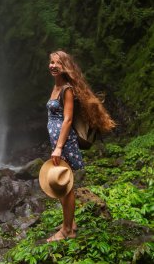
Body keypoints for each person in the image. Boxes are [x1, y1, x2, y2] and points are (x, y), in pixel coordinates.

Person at [45, 50, 115, 242]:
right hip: (57, 140)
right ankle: (70, 223)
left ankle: (67, 230)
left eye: (57, 63)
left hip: (64, 141)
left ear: (65, 66)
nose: (52, 65)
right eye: (51, 62)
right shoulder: (56, 87)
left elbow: (67, 120)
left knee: (66, 185)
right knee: (62, 184)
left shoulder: (67, 89)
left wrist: (59, 147)